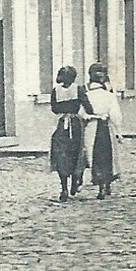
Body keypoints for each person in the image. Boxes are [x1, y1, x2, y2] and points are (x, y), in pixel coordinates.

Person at [82, 63, 124, 199]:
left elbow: (82, 113)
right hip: (106, 127)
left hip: (91, 128)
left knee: (94, 156)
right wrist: (118, 130)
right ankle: (106, 185)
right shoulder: (109, 95)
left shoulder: (86, 95)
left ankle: (99, 182)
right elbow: (116, 116)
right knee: (107, 156)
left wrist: (90, 117)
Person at [48, 65, 90, 202]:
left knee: (61, 155)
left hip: (60, 125)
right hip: (75, 124)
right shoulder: (78, 89)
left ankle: (64, 187)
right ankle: (75, 180)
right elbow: (88, 107)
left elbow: (54, 108)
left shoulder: (56, 91)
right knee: (77, 153)